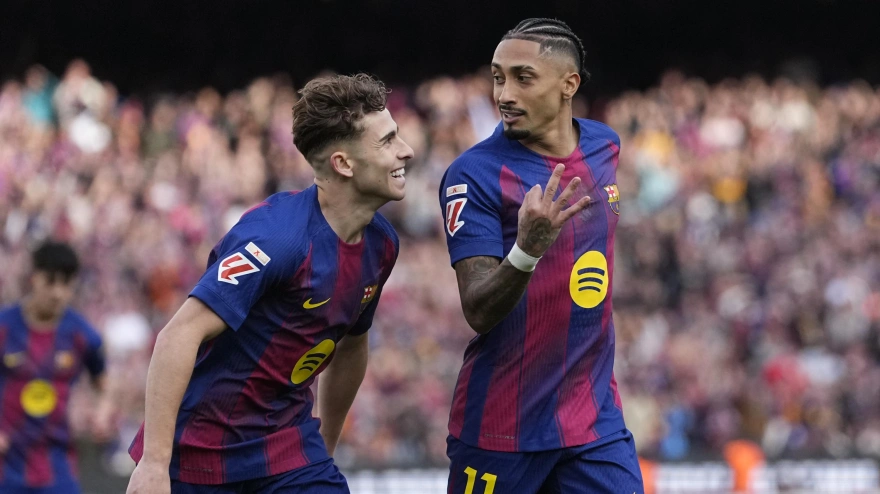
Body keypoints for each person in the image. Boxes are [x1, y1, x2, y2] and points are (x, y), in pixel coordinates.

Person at [126, 73, 413, 494]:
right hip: (200, 456)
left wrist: (323, 450)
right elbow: (178, 336)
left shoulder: (382, 244)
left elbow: (351, 345)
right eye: (387, 141)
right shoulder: (275, 240)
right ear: (344, 164)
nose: (406, 151)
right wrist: (153, 465)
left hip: (288, 453)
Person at [439, 18, 643, 493]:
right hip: (500, 428)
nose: (504, 94)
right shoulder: (472, 175)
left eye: (522, 77)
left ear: (568, 84)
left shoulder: (603, 145)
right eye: (497, 77)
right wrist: (527, 250)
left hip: (593, 423)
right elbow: (478, 309)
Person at [0, 241, 116, 494]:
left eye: (65, 284)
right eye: (50, 282)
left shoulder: (81, 334)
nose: (58, 293)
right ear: (34, 278)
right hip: (5, 465)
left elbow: (104, 384)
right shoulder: (4, 327)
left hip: (57, 465)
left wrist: (102, 413)